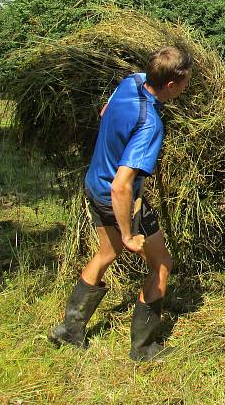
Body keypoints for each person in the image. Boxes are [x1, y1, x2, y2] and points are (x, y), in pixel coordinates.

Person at [49, 46, 192, 362]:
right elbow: (122, 186)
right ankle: (144, 348)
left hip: (93, 183)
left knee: (106, 252)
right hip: (115, 194)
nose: (185, 89)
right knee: (162, 264)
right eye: (184, 84)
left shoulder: (130, 82)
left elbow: (105, 110)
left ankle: (69, 330)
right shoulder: (150, 124)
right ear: (171, 85)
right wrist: (128, 233)